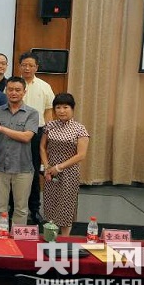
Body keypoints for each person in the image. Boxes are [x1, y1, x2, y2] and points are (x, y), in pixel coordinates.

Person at [0, 76, 39, 226]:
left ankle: (18, 238)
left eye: (17, 90)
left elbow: (26, 137)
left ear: (24, 92)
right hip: (0, 167)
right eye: (10, 89)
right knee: (0, 208)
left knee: (21, 209)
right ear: (6, 91)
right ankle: (0, 236)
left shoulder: (32, 113)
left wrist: (0, 128)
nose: (13, 93)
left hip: (23, 168)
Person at [40, 93, 89, 236]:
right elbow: (42, 147)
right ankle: (50, 237)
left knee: (66, 206)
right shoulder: (49, 126)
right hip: (50, 172)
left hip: (69, 173)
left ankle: (64, 240)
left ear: (72, 108)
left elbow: (81, 155)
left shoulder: (79, 129)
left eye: (65, 107)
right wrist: (47, 166)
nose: (61, 111)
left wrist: (59, 167)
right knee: (50, 204)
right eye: (58, 107)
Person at [19, 52, 55, 224]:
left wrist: (47, 134)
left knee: (33, 171)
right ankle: (14, 207)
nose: (27, 68)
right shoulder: (13, 84)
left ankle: (34, 209)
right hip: (14, 132)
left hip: (37, 133)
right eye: (24, 65)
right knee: (13, 171)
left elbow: (48, 111)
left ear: (36, 67)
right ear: (19, 67)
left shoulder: (44, 86)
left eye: (31, 65)